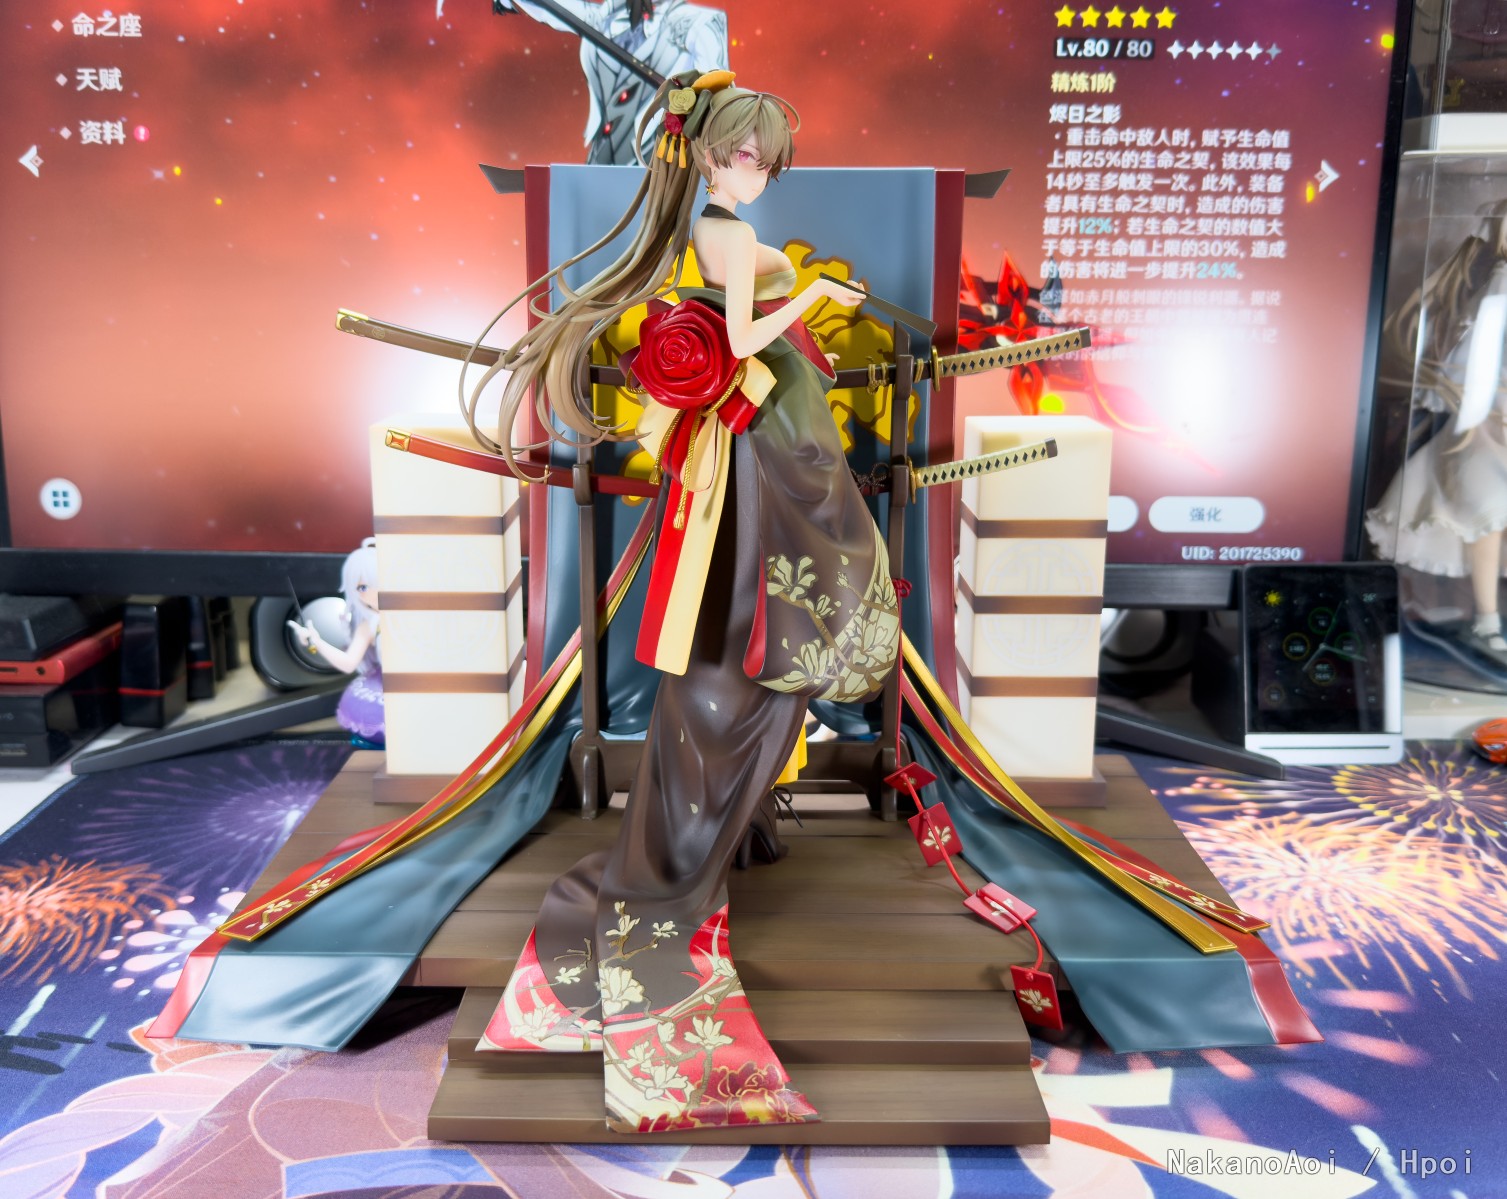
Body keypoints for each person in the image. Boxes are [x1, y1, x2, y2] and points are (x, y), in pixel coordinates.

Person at [463, 69, 892, 1133]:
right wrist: (813, 300)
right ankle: (670, 878)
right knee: (752, 631)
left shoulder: (724, 230)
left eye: (766, 159)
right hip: (755, 448)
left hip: (767, 440)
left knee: (764, 628)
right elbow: (739, 343)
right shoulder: (720, 232)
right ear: (705, 153)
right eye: (744, 154)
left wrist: (806, 318)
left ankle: (724, 816)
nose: (756, 172)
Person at [1366, 199, 1507, 666]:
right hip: (1486, 427)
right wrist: (1473, 408)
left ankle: (1488, 619)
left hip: (1487, 419)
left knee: (1490, 521)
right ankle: (1487, 620)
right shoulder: (1499, 283)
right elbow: (1474, 361)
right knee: (1487, 517)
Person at [288, 538, 385, 747]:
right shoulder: (369, 625)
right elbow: (349, 663)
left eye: (378, 581)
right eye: (362, 587)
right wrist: (317, 642)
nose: (370, 593)